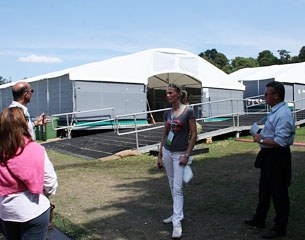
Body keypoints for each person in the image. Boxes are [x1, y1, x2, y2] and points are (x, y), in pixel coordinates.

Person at [244, 81, 295, 239]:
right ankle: (259, 219)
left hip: (277, 157)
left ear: (276, 95)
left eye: (266, 94)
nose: (264, 96)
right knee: (264, 190)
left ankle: (279, 228)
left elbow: (280, 141)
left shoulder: (283, 114)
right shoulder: (275, 111)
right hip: (268, 156)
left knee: (279, 193)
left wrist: (259, 139)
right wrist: (261, 135)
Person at [0, 107, 58, 240]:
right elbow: (50, 182)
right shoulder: (35, 149)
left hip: (6, 210)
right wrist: (46, 193)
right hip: (34, 209)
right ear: (24, 124)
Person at [157, 83, 197, 239]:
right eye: (166, 93)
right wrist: (159, 155)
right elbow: (165, 134)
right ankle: (176, 214)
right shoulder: (167, 113)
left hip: (180, 153)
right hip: (167, 152)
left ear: (179, 95)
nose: (168, 95)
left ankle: (177, 223)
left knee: (178, 188)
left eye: (170, 93)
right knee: (172, 184)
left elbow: (194, 135)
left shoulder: (188, 112)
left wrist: (187, 155)